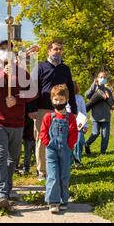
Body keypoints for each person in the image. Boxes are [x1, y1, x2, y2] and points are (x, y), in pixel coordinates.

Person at [0, 39, 35, 209]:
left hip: (17, 121)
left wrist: (17, 99)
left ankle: (8, 187)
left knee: (12, 159)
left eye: (9, 49)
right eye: (2, 49)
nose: (6, 52)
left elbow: (32, 93)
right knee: (0, 156)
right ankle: (1, 194)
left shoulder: (21, 72)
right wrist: (2, 74)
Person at [27, 40, 77, 180]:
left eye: (60, 49)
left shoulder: (65, 69)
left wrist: (73, 108)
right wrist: (32, 109)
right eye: (55, 49)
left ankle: (57, 168)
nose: (58, 52)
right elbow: (32, 88)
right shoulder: (40, 67)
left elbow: (71, 91)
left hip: (61, 110)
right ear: (49, 51)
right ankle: (42, 171)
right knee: (43, 140)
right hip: (42, 109)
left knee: (61, 139)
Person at [39, 84, 78, 212]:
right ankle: (53, 201)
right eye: (56, 100)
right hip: (51, 150)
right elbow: (43, 133)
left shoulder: (70, 117)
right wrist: (47, 143)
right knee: (53, 175)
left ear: (66, 100)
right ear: (52, 100)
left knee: (64, 175)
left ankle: (63, 199)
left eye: (61, 100)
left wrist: (69, 145)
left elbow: (73, 133)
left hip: (65, 150)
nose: (58, 102)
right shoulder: (48, 117)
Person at [84, 71, 114, 155]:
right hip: (95, 116)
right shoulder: (94, 88)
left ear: (106, 80)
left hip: (105, 116)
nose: (102, 79)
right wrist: (94, 84)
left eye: (104, 77)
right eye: (101, 77)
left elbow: (111, 103)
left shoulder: (108, 90)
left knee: (105, 135)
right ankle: (87, 144)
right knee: (95, 133)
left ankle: (103, 152)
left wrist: (108, 98)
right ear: (97, 78)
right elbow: (87, 95)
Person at [72, 81, 87, 164]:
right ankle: (70, 159)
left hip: (79, 121)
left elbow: (83, 111)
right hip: (68, 123)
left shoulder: (79, 98)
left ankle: (77, 160)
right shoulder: (64, 98)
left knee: (79, 141)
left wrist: (85, 125)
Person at [19, 104, 35, 174]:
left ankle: (38, 170)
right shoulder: (26, 111)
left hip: (34, 136)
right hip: (28, 136)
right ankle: (26, 168)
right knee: (27, 154)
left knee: (36, 154)